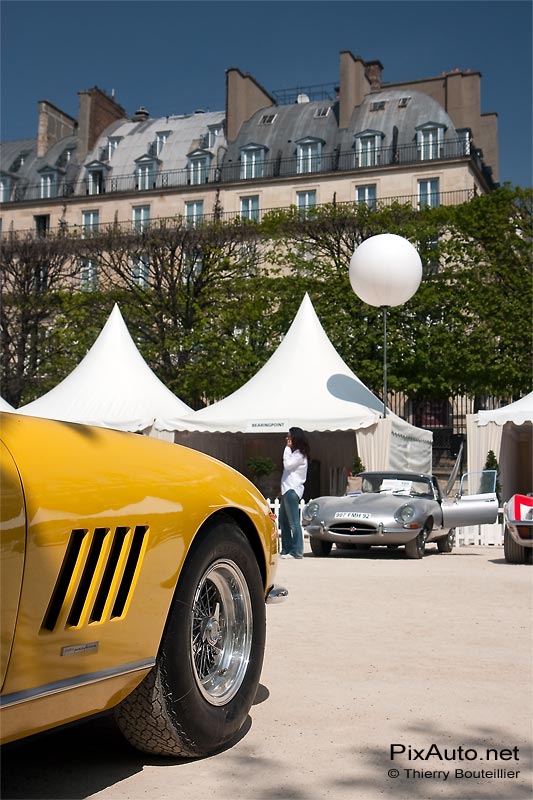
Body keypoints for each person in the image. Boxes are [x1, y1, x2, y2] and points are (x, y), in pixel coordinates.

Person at [279, 426, 310, 559]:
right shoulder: (294, 453)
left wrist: (286, 449)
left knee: (293, 522)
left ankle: (296, 550)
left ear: (295, 438)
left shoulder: (299, 455)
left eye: (289, 436)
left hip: (292, 490)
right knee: (283, 521)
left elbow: (287, 465)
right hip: (286, 490)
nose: (287, 439)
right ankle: (286, 548)